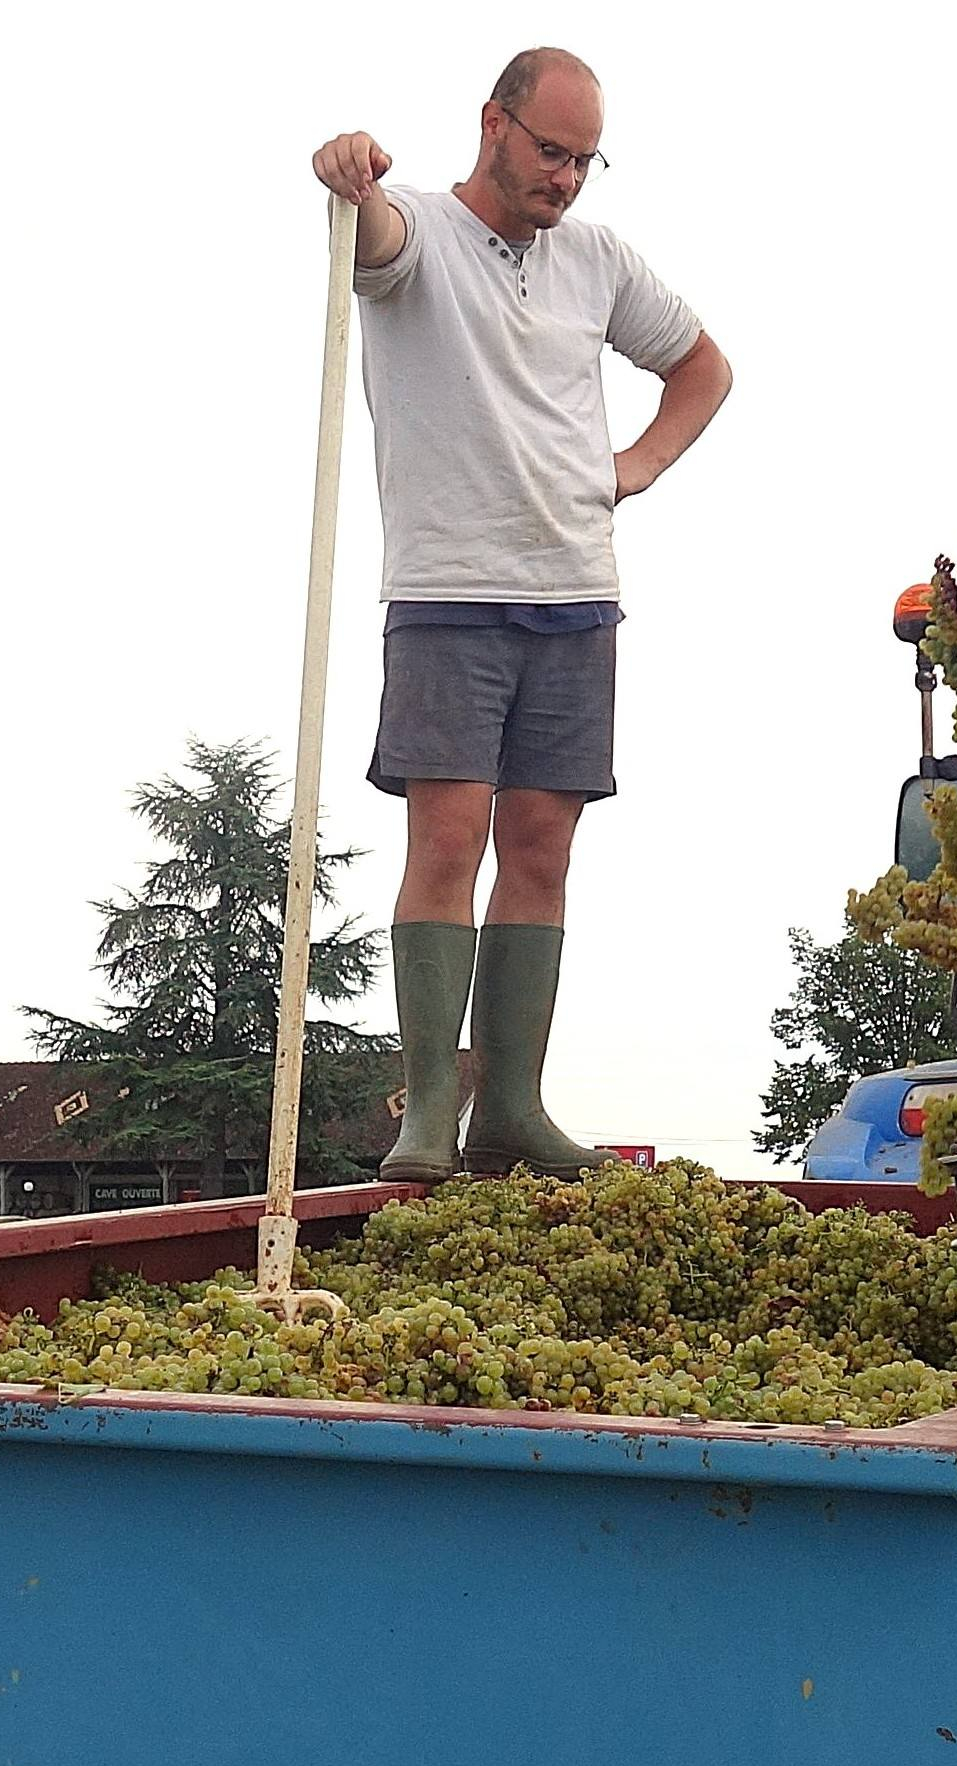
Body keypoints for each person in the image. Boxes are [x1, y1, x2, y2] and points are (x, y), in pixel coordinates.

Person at [312, 48, 731, 1180]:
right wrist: (351, 178)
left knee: (541, 845)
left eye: (587, 161)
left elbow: (703, 367)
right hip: (449, 592)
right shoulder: (417, 232)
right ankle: (428, 1115)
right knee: (447, 837)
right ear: (493, 123)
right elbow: (376, 243)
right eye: (552, 152)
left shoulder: (598, 259)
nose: (567, 179)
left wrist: (639, 464)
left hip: (576, 594)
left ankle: (513, 1109)